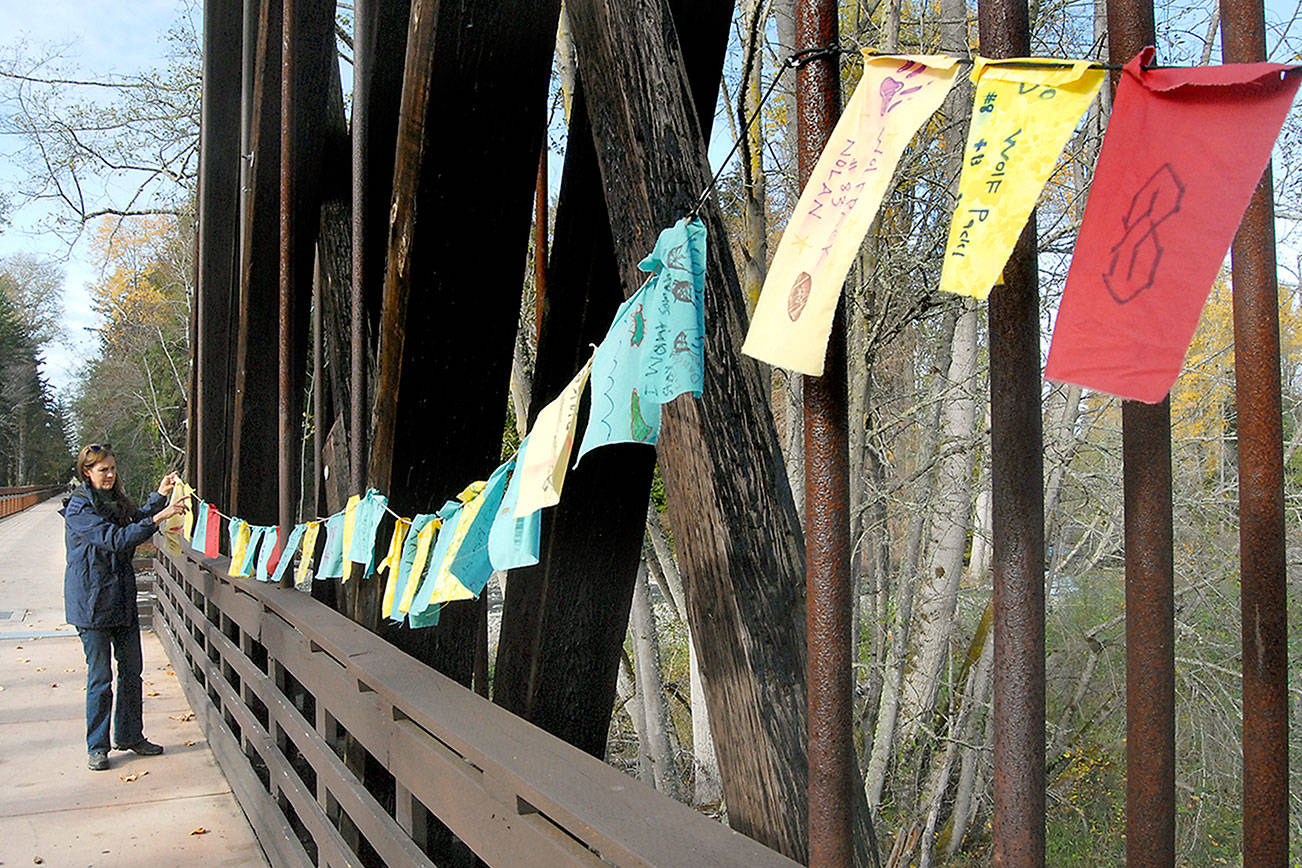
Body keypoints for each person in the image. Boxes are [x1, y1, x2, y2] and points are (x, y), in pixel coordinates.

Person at [61, 443, 188, 771]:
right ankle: (97, 746)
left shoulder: (116, 500)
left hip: (120, 598)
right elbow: (116, 539)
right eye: (103, 470)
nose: (110, 474)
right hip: (91, 603)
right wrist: (161, 516)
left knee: (132, 671)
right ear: (87, 473)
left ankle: (130, 735)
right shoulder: (79, 507)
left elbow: (135, 521)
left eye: (113, 468)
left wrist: (158, 498)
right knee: (101, 678)